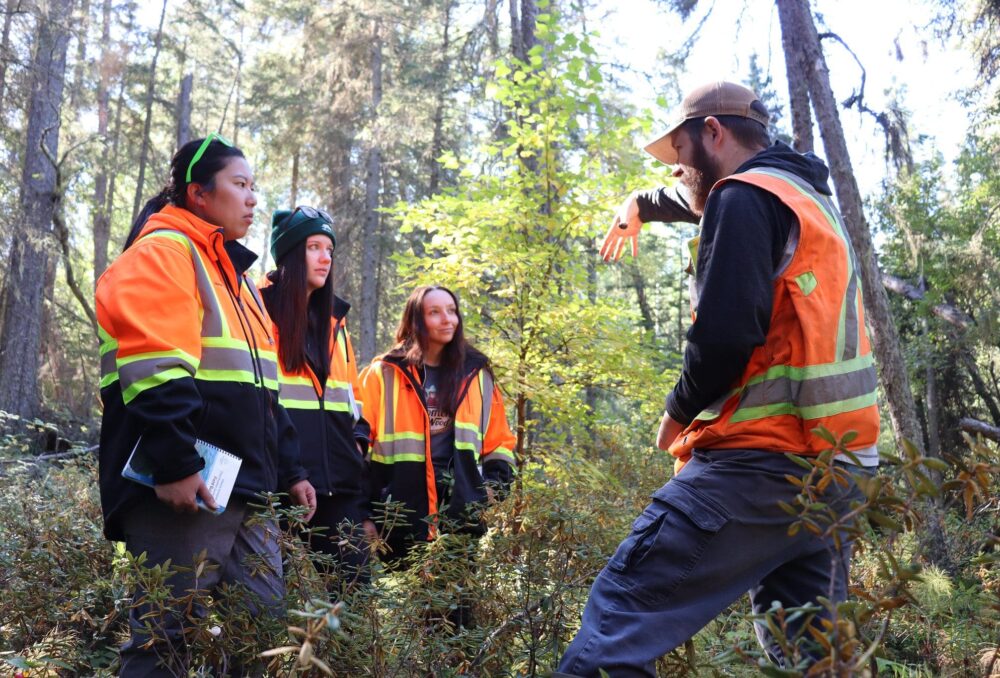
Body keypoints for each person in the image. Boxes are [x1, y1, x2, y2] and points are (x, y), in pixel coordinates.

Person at [556, 81, 881, 676]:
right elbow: (697, 196)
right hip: (836, 475)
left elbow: (727, 334)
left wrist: (676, 413)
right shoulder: (802, 193)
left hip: (759, 467)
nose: (677, 170)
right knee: (816, 660)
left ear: (713, 132)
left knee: (617, 622)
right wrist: (641, 202)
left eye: (680, 153)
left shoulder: (743, 198)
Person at [96, 134, 317, 676]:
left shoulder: (237, 281)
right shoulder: (165, 254)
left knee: (261, 640)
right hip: (184, 484)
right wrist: (174, 465)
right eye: (239, 185)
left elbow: (264, 392)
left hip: (250, 488)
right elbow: (154, 369)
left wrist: (290, 470)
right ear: (198, 193)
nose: (252, 199)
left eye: (253, 187)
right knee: (162, 643)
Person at [359, 286, 517, 624]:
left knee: (456, 624)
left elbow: (500, 443)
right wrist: (362, 512)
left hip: (460, 521)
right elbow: (355, 446)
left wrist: (488, 492)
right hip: (398, 523)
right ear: (417, 320)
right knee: (401, 625)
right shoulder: (384, 373)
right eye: (435, 312)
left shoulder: (477, 374)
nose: (447, 319)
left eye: (451, 310)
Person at [260, 206, 374, 591]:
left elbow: (352, 397)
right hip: (279, 485)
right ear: (291, 253)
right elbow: (259, 400)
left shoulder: (334, 322)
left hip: (338, 485)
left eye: (329, 248)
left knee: (355, 597)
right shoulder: (258, 309)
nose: (325, 257)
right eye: (313, 246)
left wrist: (358, 441)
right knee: (275, 604)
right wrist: (290, 473)